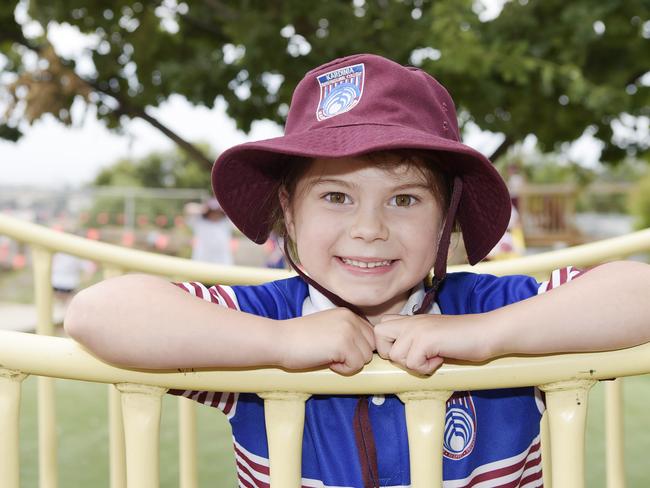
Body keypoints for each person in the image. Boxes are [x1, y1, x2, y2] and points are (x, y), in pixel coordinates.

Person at [64, 54, 650, 487]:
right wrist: (279, 344)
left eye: (405, 200)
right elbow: (97, 312)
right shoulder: (260, 323)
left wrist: (481, 339)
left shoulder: (494, 311)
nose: (369, 228)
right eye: (336, 197)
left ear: (448, 218)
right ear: (289, 215)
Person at [184, 198, 234, 265]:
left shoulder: (226, 222)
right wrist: (204, 208)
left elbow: (236, 212)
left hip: (223, 261)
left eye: (217, 210)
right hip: (202, 260)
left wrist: (224, 207)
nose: (215, 213)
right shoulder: (199, 221)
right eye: (213, 210)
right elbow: (188, 208)